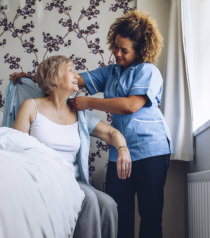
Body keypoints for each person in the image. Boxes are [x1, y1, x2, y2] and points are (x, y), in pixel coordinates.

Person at [10, 10, 173, 238]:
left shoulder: (149, 71)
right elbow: (68, 79)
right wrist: (32, 77)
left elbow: (130, 105)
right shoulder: (111, 72)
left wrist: (89, 102)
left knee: (150, 215)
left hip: (151, 150)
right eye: (115, 47)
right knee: (118, 213)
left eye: (124, 50)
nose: (117, 53)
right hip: (119, 154)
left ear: (140, 50)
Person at [13, 55, 132, 238]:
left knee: (109, 205)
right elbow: (16, 149)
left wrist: (123, 149)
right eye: (70, 70)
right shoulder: (30, 107)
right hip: (44, 180)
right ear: (52, 78)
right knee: (89, 199)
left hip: (73, 181)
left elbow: (111, 133)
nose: (77, 75)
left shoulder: (80, 114)